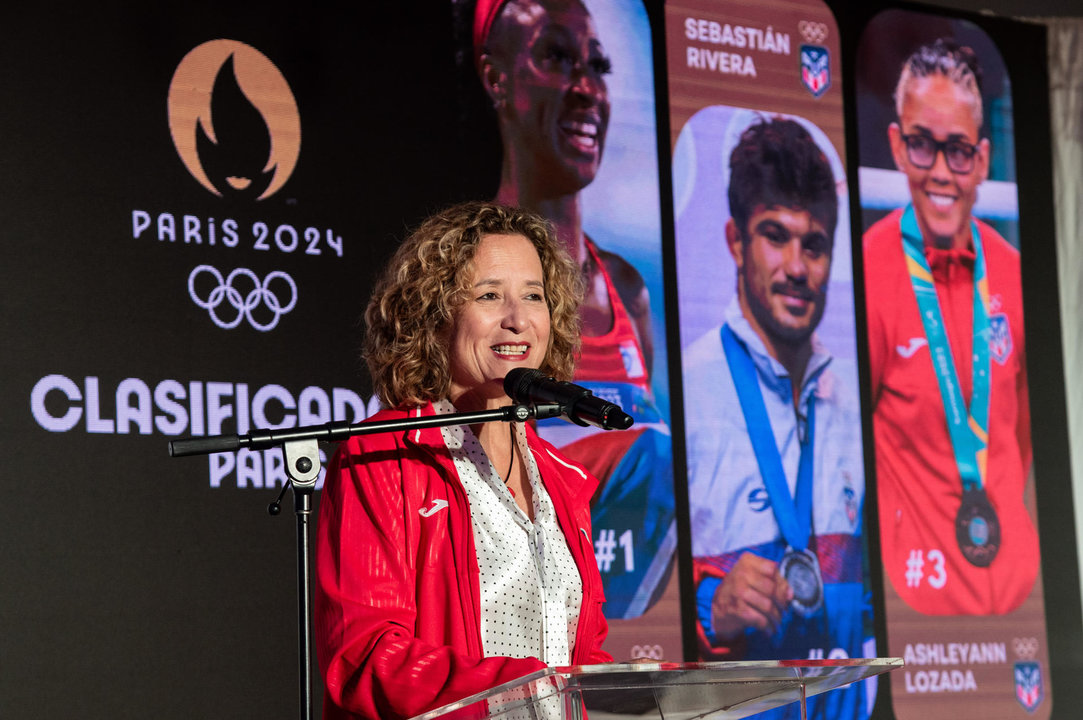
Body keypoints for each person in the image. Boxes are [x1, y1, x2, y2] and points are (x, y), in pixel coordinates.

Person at [315, 202, 612, 720]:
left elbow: (581, 658)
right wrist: (526, 689)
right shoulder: (385, 454)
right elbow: (365, 657)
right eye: (490, 295)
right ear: (434, 315)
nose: (518, 319)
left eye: (534, 296)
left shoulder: (564, 482)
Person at [473, 0, 674, 621]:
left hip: (627, 643)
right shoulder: (462, 282)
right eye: (557, 57)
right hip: (516, 639)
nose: (587, 89)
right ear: (496, 78)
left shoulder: (627, 290)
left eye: (598, 64)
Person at [683, 118, 870, 719]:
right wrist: (711, 604)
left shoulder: (854, 406)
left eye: (813, 245)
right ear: (736, 241)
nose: (796, 266)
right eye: (775, 237)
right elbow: (629, 591)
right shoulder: (690, 393)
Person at [863, 39, 1037, 615]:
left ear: (983, 160)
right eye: (921, 145)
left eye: (958, 151)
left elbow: (1024, 437)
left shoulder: (1012, 273)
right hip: (919, 617)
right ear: (896, 145)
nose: (940, 172)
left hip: (1016, 607)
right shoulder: (867, 270)